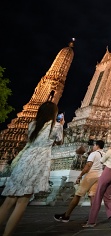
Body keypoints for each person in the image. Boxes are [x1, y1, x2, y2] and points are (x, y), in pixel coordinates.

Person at [0, 101, 64, 236]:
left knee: (9, 200)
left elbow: (31, 140)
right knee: (22, 202)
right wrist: (61, 125)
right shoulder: (56, 126)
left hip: (24, 160)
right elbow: (59, 141)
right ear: (54, 114)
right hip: (38, 162)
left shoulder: (32, 125)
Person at [54, 140, 105, 222]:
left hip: (91, 175)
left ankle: (66, 215)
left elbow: (88, 165)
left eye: (94, 145)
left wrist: (80, 176)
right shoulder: (104, 154)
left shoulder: (94, 153)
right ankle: (92, 218)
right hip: (100, 176)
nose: (93, 147)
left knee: (78, 194)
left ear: (97, 145)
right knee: (92, 196)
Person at [83, 135, 111, 228]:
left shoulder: (110, 151)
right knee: (107, 197)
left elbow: (102, 161)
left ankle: (91, 222)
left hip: (107, 172)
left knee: (98, 197)